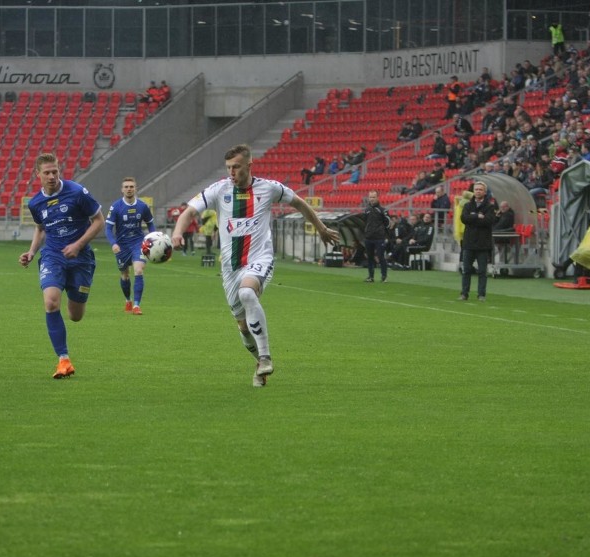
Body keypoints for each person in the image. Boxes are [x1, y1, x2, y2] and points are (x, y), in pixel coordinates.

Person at [171, 143, 340, 388]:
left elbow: (300, 203)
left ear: (249, 165)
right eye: (228, 167)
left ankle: (265, 356)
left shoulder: (269, 188)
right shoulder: (219, 190)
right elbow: (189, 212)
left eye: (236, 167)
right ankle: (258, 364)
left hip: (259, 259)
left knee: (248, 292)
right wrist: (178, 232)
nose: (231, 172)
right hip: (230, 267)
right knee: (242, 326)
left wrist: (321, 228)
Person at [19, 153, 105, 379]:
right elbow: (40, 228)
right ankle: (63, 360)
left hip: (81, 258)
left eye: (55, 171)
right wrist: (31, 252)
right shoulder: (36, 202)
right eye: (46, 172)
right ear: (37, 175)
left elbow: (99, 221)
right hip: (53, 256)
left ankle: (73, 289)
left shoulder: (77, 192)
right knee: (50, 302)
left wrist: (78, 244)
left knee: (76, 315)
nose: (51, 176)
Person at [105, 176, 156, 316]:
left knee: (138, 270)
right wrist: (113, 243)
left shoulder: (142, 206)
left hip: (138, 243)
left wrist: (154, 238)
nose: (129, 189)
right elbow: (108, 228)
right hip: (121, 245)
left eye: (131, 186)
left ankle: (136, 306)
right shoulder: (116, 207)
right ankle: (128, 300)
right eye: (126, 187)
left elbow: (150, 223)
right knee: (125, 275)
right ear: (122, 189)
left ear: (135, 188)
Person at [459, 181, 495, 301]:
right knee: (466, 270)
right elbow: (464, 218)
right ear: (473, 191)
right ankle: (464, 293)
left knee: (482, 271)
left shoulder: (490, 206)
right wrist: (477, 216)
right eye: (476, 189)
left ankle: (481, 294)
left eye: (480, 189)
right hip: (469, 242)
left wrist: (472, 218)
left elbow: (489, 221)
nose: (478, 191)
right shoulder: (468, 206)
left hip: (483, 243)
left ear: (484, 192)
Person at [363, 191, 392, 283]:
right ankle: (371, 277)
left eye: (373, 197)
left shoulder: (383, 210)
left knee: (381, 257)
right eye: (370, 197)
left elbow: (387, 224)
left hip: (379, 238)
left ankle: (384, 277)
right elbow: (365, 222)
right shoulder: (366, 210)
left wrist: (386, 235)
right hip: (369, 237)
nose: (372, 199)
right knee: (370, 257)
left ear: (378, 198)